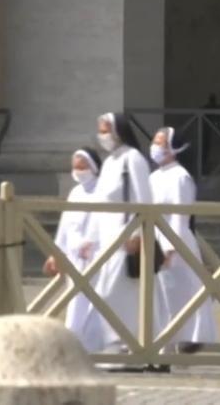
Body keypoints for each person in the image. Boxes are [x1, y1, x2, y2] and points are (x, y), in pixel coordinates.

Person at [84, 112, 169, 369]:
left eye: (105, 129)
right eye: (100, 130)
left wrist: (139, 233)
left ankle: (132, 349)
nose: (102, 135)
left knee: (121, 294)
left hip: (127, 238)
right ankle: (120, 348)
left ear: (118, 131)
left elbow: (143, 199)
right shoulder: (110, 161)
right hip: (107, 239)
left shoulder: (133, 159)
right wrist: (92, 238)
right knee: (107, 295)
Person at [149, 126, 217, 352]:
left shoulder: (181, 177)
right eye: (155, 142)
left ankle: (172, 347)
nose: (155, 147)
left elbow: (180, 216)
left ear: (173, 148)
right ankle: (160, 345)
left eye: (161, 143)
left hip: (174, 242)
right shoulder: (154, 177)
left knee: (176, 295)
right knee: (158, 295)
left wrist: (170, 249)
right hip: (155, 238)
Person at [44, 148, 105, 352]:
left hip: (97, 255)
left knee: (97, 302)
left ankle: (94, 346)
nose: (78, 171)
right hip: (75, 257)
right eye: (75, 167)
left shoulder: (104, 190)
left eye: (82, 166)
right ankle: (73, 343)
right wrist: (56, 253)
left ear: (94, 167)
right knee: (75, 302)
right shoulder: (75, 192)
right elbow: (65, 226)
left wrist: (95, 243)